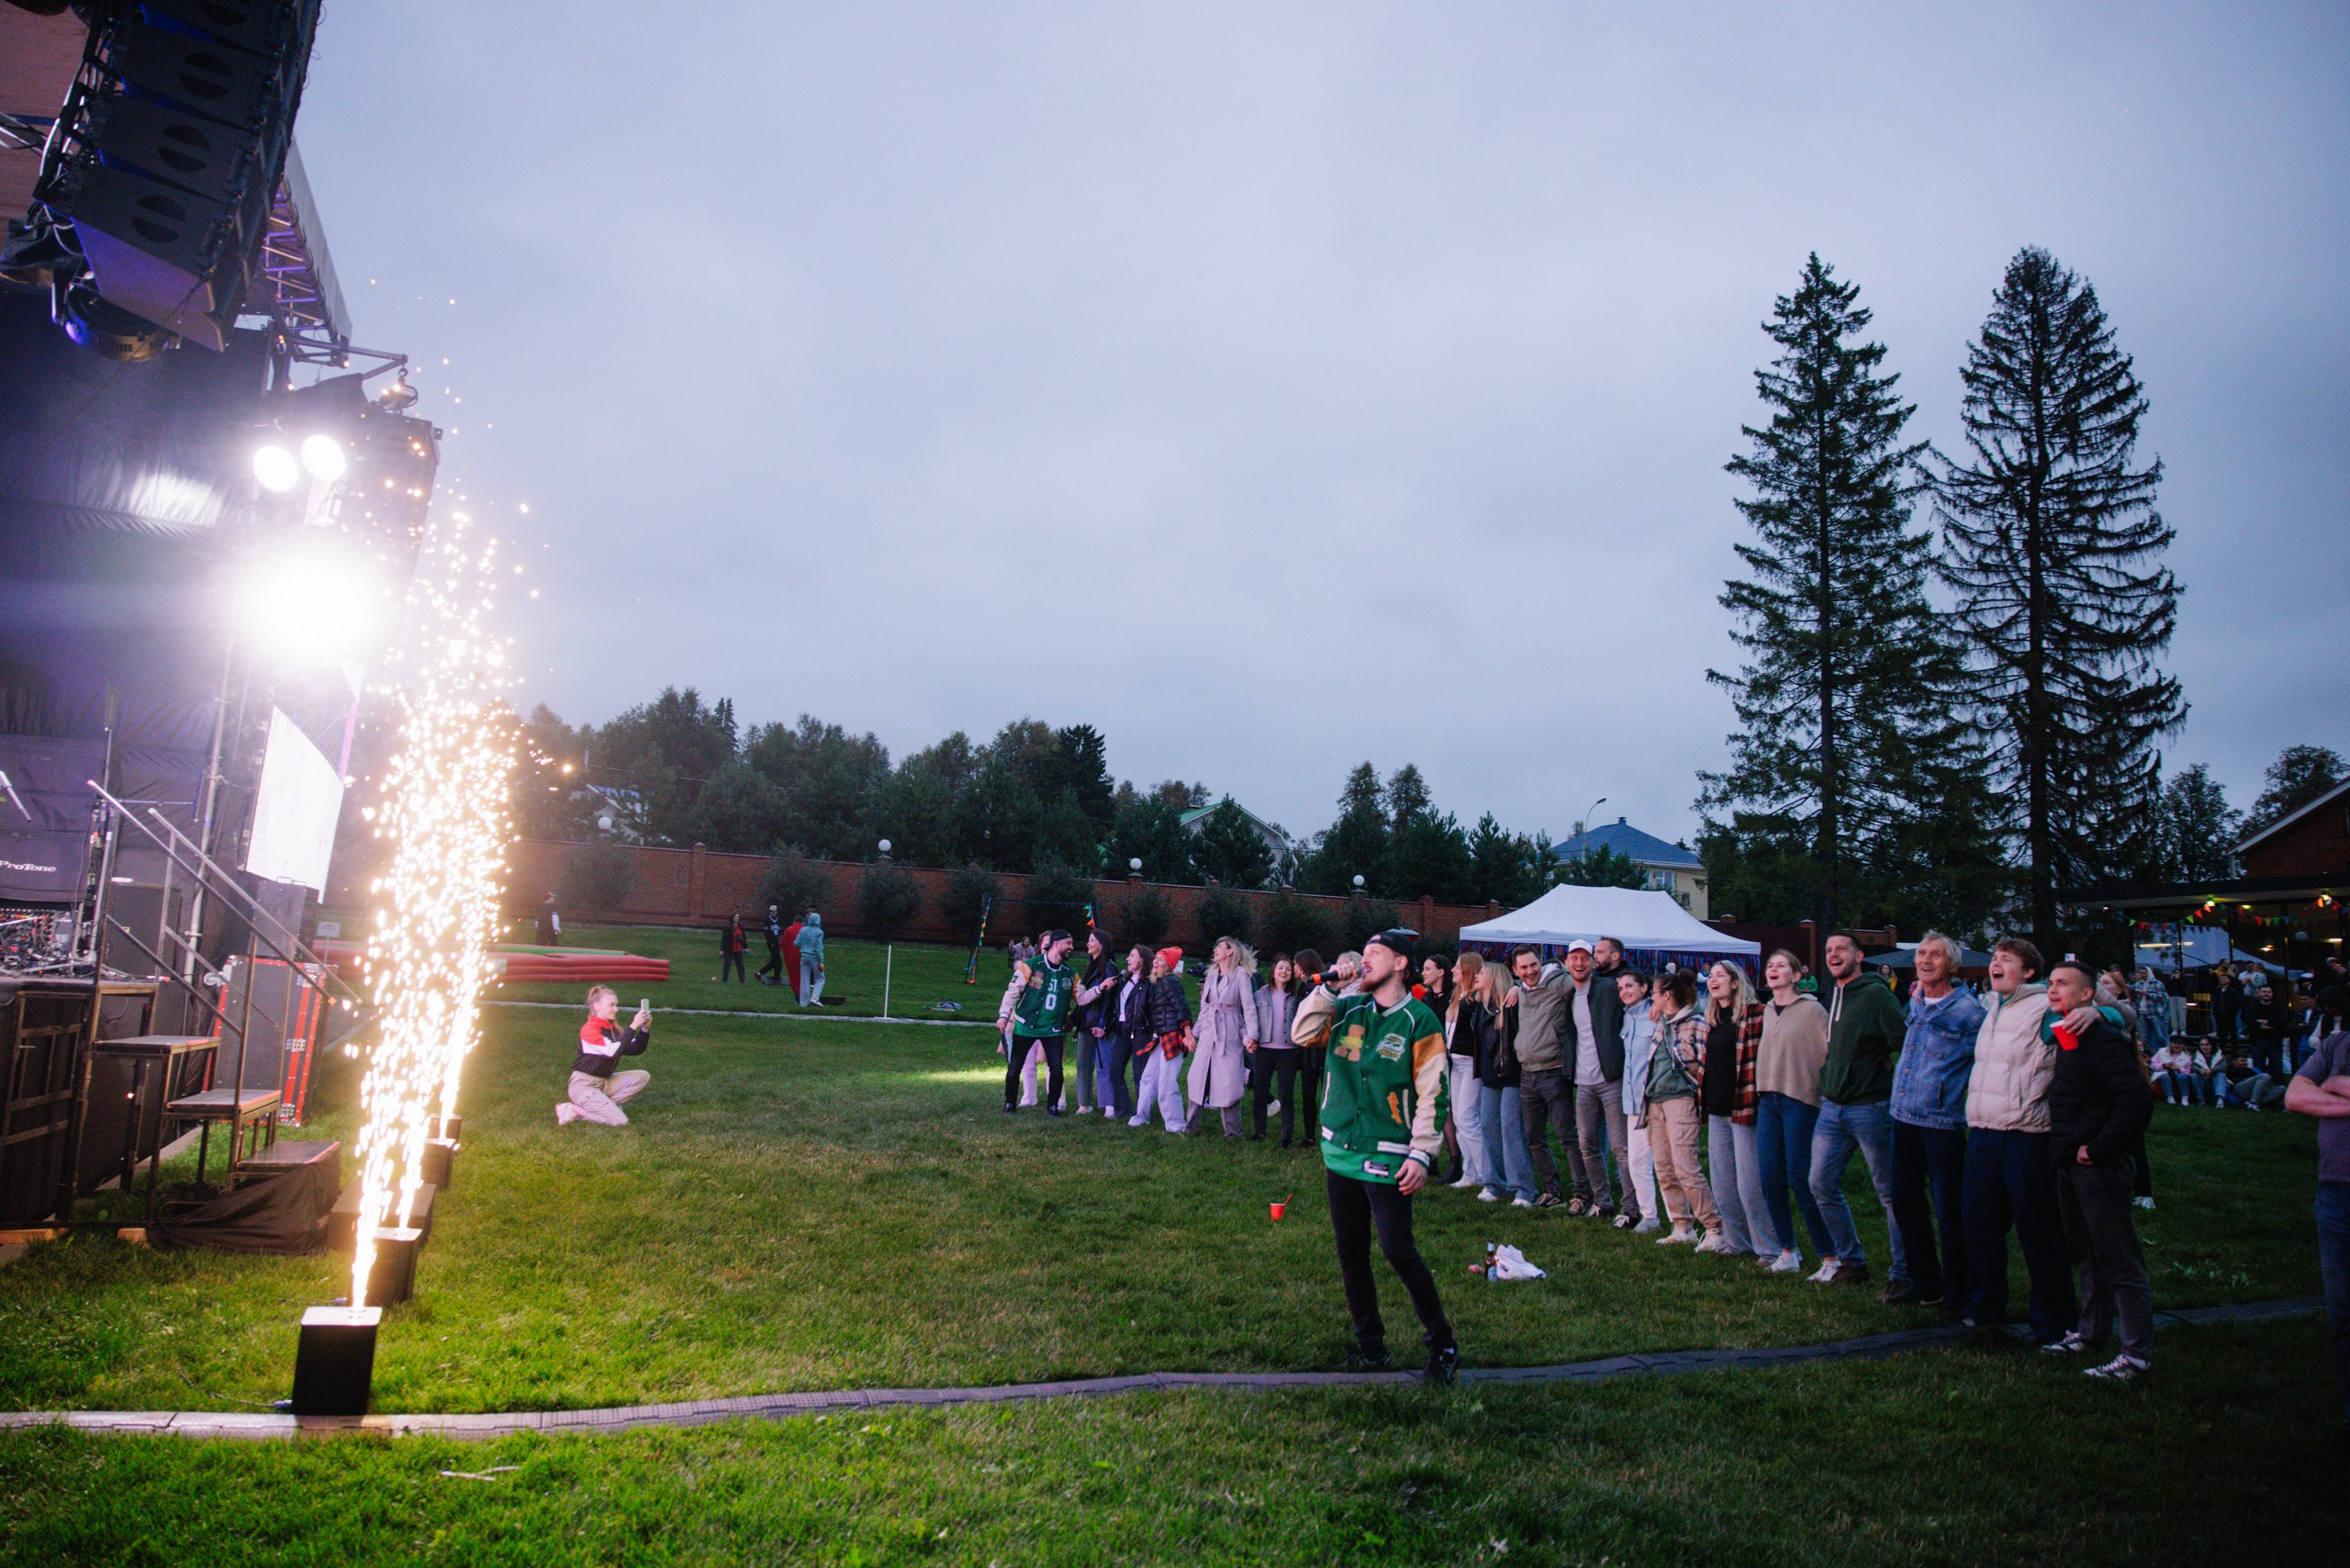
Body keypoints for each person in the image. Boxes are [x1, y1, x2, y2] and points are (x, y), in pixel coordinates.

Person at [1292, 927, 1457, 1383]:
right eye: (1362, 953)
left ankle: (1442, 1344)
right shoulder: (1347, 1009)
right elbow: (1302, 1033)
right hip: (1340, 1149)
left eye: (1375, 953)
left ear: (1401, 963)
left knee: (1397, 1250)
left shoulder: (1420, 1021)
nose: (1364, 960)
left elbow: (1432, 1092)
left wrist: (1422, 1154)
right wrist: (1328, 987)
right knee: (1351, 1255)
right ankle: (1371, 1347)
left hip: (1387, 1154)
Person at [2042, 961, 2157, 1379]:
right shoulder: (2068, 1033)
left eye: (2063, 984)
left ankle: (2136, 1354)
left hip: (2098, 1166)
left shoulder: (2100, 1039)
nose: (2053, 991)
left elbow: (2136, 1101)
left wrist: (2100, 1147)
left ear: (2089, 995)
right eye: (2051, 984)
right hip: (2070, 1161)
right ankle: (2091, 1333)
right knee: (2086, 1253)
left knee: (2119, 1258)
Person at [1961, 938, 2077, 1345]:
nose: (1994, 964)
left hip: (2026, 1136)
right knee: (1979, 1227)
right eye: (1993, 959)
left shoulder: (2046, 1006)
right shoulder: (1992, 1006)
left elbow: (2115, 1013)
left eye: (2005, 960)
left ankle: (2054, 1321)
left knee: (2038, 1231)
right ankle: (1984, 1309)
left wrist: (2099, 1015)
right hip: (1983, 1132)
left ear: (2029, 971)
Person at [1886, 931, 1983, 1313]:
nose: (1925, 961)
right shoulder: (1918, 1002)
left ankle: (1959, 1291)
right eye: (1921, 954)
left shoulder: (1969, 1012)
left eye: (1935, 956)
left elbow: (1985, 1062)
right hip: (1902, 1116)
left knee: (1949, 1210)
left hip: (1941, 1123)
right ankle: (1928, 1286)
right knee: (1907, 1205)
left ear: (1952, 965)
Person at [1807, 933, 1908, 1289]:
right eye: (1829, 949)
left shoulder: (1876, 994)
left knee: (1889, 1192)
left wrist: (1881, 1068)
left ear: (1859, 956)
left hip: (1870, 1106)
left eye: (1842, 949)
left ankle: (1902, 1274)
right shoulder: (1835, 994)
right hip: (1833, 1107)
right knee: (1819, 1182)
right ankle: (1853, 1262)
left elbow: (1901, 1042)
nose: (1833, 954)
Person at [2283, 986, 2350, 1436]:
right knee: (2343, 1314)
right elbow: (2295, 1097)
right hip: (2336, 1193)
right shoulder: (2338, 1044)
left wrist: (2338, 1091)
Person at [1755, 950, 1833, 1275]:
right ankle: (1788, 1251)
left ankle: (1830, 1255)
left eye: (1781, 966)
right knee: (1770, 1177)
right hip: (1768, 1101)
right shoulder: (1768, 1010)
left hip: (1800, 1100)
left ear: (1796, 975)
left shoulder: (1813, 1010)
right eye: (1770, 966)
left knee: (1801, 1178)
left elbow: (1827, 1053)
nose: (1773, 970)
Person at [1692, 960, 1771, 1259]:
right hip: (1716, 1112)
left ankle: (1769, 1248)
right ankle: (1737, 1243)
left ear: (1735, 982)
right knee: (1723, 1185)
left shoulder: (1755, 1016)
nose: (1713, 980)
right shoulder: (1711, 1020)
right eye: (1710, 976)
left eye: (1719, 976)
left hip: (1745, 1109)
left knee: (1750, 1186)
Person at [1643, 969, 1720, 1248]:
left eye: (1655, 993)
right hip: (1655, 1101)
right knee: (1664, 1168)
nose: (1652, 997)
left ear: (1667, 995)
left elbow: (1703, 1065)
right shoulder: (1662, 1022)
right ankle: (1681, 1225)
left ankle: (1714, 1228)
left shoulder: (1696, 1023)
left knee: (1686, 1167)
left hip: (1681, 1100)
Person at [1501, 943, 1581, 1210]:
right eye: (1523, 967)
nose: (1530, 970)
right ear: (1515, 970)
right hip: (1528, 1074)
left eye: (1533, 964)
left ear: (1540, 962)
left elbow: (1582, 986)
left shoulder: (1559, 983)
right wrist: (1515, 986)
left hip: (1554, 1071)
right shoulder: (1522, 990)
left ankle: (1582, 1192)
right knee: (1534, 1137)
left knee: (1566, 1136)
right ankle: (1552, 1189)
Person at [1567, 936, 1635, 1224]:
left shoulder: (1609, 989)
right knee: (1588, 1146)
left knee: (1621, 1147)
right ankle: (1602, 1201)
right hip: (1583, 1082)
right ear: (1567, 963)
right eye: (1575, 958)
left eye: (1585, 958)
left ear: (1593, 963)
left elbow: (1637, 995)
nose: (1580, 963)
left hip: (1611, 1080)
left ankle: (1631, 1208)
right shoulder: (1568, 993)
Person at [1472, 958, 1538, 1207]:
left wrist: (1518, 985)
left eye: (1482, 972)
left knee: (1511, 1131)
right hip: (1489, 1077)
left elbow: (1542, 981)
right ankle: (1494, 1184)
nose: (1477, 975)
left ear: (1496, 976)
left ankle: (1524, 1189)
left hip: (1511, 1075)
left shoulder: (1511, 1003)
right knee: (1488, 1127)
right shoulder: (1481, 1006)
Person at [1187, 937, 1259, 1137]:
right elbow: (1204, 1008)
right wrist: (1195, 1033)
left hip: (1230, 1031)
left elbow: (1249, 1008)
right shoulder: (1211, 975)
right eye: (1216, 945)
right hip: (1209, 1030)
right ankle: (1190, 1127)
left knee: (1230, 1082)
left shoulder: (1241, 976)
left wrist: (1251, 1035)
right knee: (1197, 1077)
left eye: (1220, 946)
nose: (1215, 949)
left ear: (1231, 952)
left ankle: (1234, 1133)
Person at [1004, 929, 1076, 1115]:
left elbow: (1081, 997)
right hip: (1026, 1025)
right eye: (1068, 943)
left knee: (1056, 1068)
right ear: (1056, 944)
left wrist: (1100, 989)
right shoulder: (1030, 966)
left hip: (1053, 1029)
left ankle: (1053, 1107)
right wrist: (1004, 1016)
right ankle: (1009, 1104)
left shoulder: (1070, 972)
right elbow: (1012, 992)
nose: (1072, 948)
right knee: (1015, 1067)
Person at [558, 986, 652, 1126]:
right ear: (597, 1006)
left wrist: (644, 1029)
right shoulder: (590, 1029)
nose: (616, 1009)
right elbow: (612, 1052)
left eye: (616, 1005)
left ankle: (609, 1106)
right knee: (620, 1122)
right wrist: (633, 1026)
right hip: (584, 1086)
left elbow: (634, 1049)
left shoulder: (612, 1029)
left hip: (603, 1083)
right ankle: (573, 1109)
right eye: (612, 1005)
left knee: (643, 1076)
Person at [1439, 953, 1494, 1191]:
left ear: (1469, 971)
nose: (1453, 970)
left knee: (1468, 1119)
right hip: (1456, 1064)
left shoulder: (1477, 999)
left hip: (1471, 1064)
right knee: (1461, 1120)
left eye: (1458, 967)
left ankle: (1487, 1175)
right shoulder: (1456, 996)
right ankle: (1470, 1173)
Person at [1617, 969, 1663, 1233]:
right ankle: (1650, 1216)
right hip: (1633, 1103)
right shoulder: (1625, 1018)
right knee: (1637, 1162)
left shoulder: (1658, 1015)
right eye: (1621, 987)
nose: (1624, 991)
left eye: (1629, 986)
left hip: (1656, 1101)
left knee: (1665, 1163)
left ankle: (1683, 1220)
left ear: (1645, 988)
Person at [1129, 946, 1192, 1131]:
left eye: (1161, 960)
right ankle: (1141, 1116)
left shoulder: (1170, 982)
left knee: (1167, 1082)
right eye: (1156, 958)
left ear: (1169, 966)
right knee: (1148, 1078)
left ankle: (1175, 1123)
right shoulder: (1159, 982)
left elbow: (1182, 1007)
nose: (1156, 962)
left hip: (1173, 1038)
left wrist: (1187, 1034)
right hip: (1161, 1038)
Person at [1251, 955, 1305, 1145]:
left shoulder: (1297, 998)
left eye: (1288, 969)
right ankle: (1259, 1132)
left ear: (1291, 975)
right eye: (1281, 968)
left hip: (1287, 1051)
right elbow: (1248, 1020)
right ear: (1273, 972)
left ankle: (1286, 1137)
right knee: (1259, 1092)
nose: (1284, 971)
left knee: (1286, 1095)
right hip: (1264, 1049)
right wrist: (1249, 1038)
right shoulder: (1259, 995)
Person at [1098, 943, 1149, 1122]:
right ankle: (1123, 1109)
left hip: (1140, 1032)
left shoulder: (1149, 983)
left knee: (1139, 1074)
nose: (1128, 959)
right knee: (1115, 1071)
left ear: (1142, 960)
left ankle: (1142, 1112)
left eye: (1132, 956)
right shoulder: (1125, 980)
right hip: (1122, 1030)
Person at [1071, 931, 1118, 1116]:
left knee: (1105, 1063)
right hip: (1085, 1022)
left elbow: (1109, 998)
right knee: (1083, 1063)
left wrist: (1102, 1024)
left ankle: (1110, 1105)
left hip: (1100, 1023)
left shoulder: (1109, 968)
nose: (1088, 943)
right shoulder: (1090, 966)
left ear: (1102, 945)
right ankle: (1084, 1104)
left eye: (1092, 940)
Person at [2148, 1038, 2200, 1104]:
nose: (2177, 1045)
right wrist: (2164, 1065)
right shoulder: (2161, 1051)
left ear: (2183, 1045)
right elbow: (2153, 1065)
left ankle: (2185, 1098)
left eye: (2180, 1044)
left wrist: (2179, 1068)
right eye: (2175, 1043)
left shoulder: (2187, 1056)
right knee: (2164, 1076)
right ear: (2171, 1044)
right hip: (2163, 1074)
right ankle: (2170, 1098)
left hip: (2179, 1076)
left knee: (2182, 1077)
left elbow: (2189, 1071)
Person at [794, 912, 826, 1005]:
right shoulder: (819, 932)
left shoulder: (803, 930)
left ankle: (803, 1003)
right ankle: (815, 998)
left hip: (803, 957)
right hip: (814, 958)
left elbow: (796, 943)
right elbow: (818, 948)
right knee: (820, 978)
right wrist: (821, 961)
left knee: (804, 979)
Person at [756, 905, 785, 986]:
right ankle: (760, 973)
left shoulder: (778, 919)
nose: (772, 913)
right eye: (771, 911)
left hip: (777, 942)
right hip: (772, 943)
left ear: (776, 912)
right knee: (776, 960)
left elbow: (779, 931)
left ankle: (776, 976)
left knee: (776, 960)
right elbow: (766, 932)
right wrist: (770, 942)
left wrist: (780, 940)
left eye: (773, 911)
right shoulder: (767, 919)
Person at [717, 914, 749, 984]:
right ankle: (725, 980)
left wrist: (746, 947)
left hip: (738, 949)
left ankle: (742, 980)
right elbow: (724, 939)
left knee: (740, 965)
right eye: (735, 917)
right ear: (732, 918)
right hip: (729, 949)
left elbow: (744, 938)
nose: (736, 918)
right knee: (727, 965)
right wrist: (722, 950)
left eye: (738, 917)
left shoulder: (741, 927)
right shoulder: (728, 927)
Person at [781, 912, 805, 999]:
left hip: (791, 956)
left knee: (794, 976)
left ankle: (797, 994)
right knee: (803, 976)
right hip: (804, 955)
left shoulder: (789, 930)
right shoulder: (805, 929)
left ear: (794, 921)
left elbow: (783, 943)